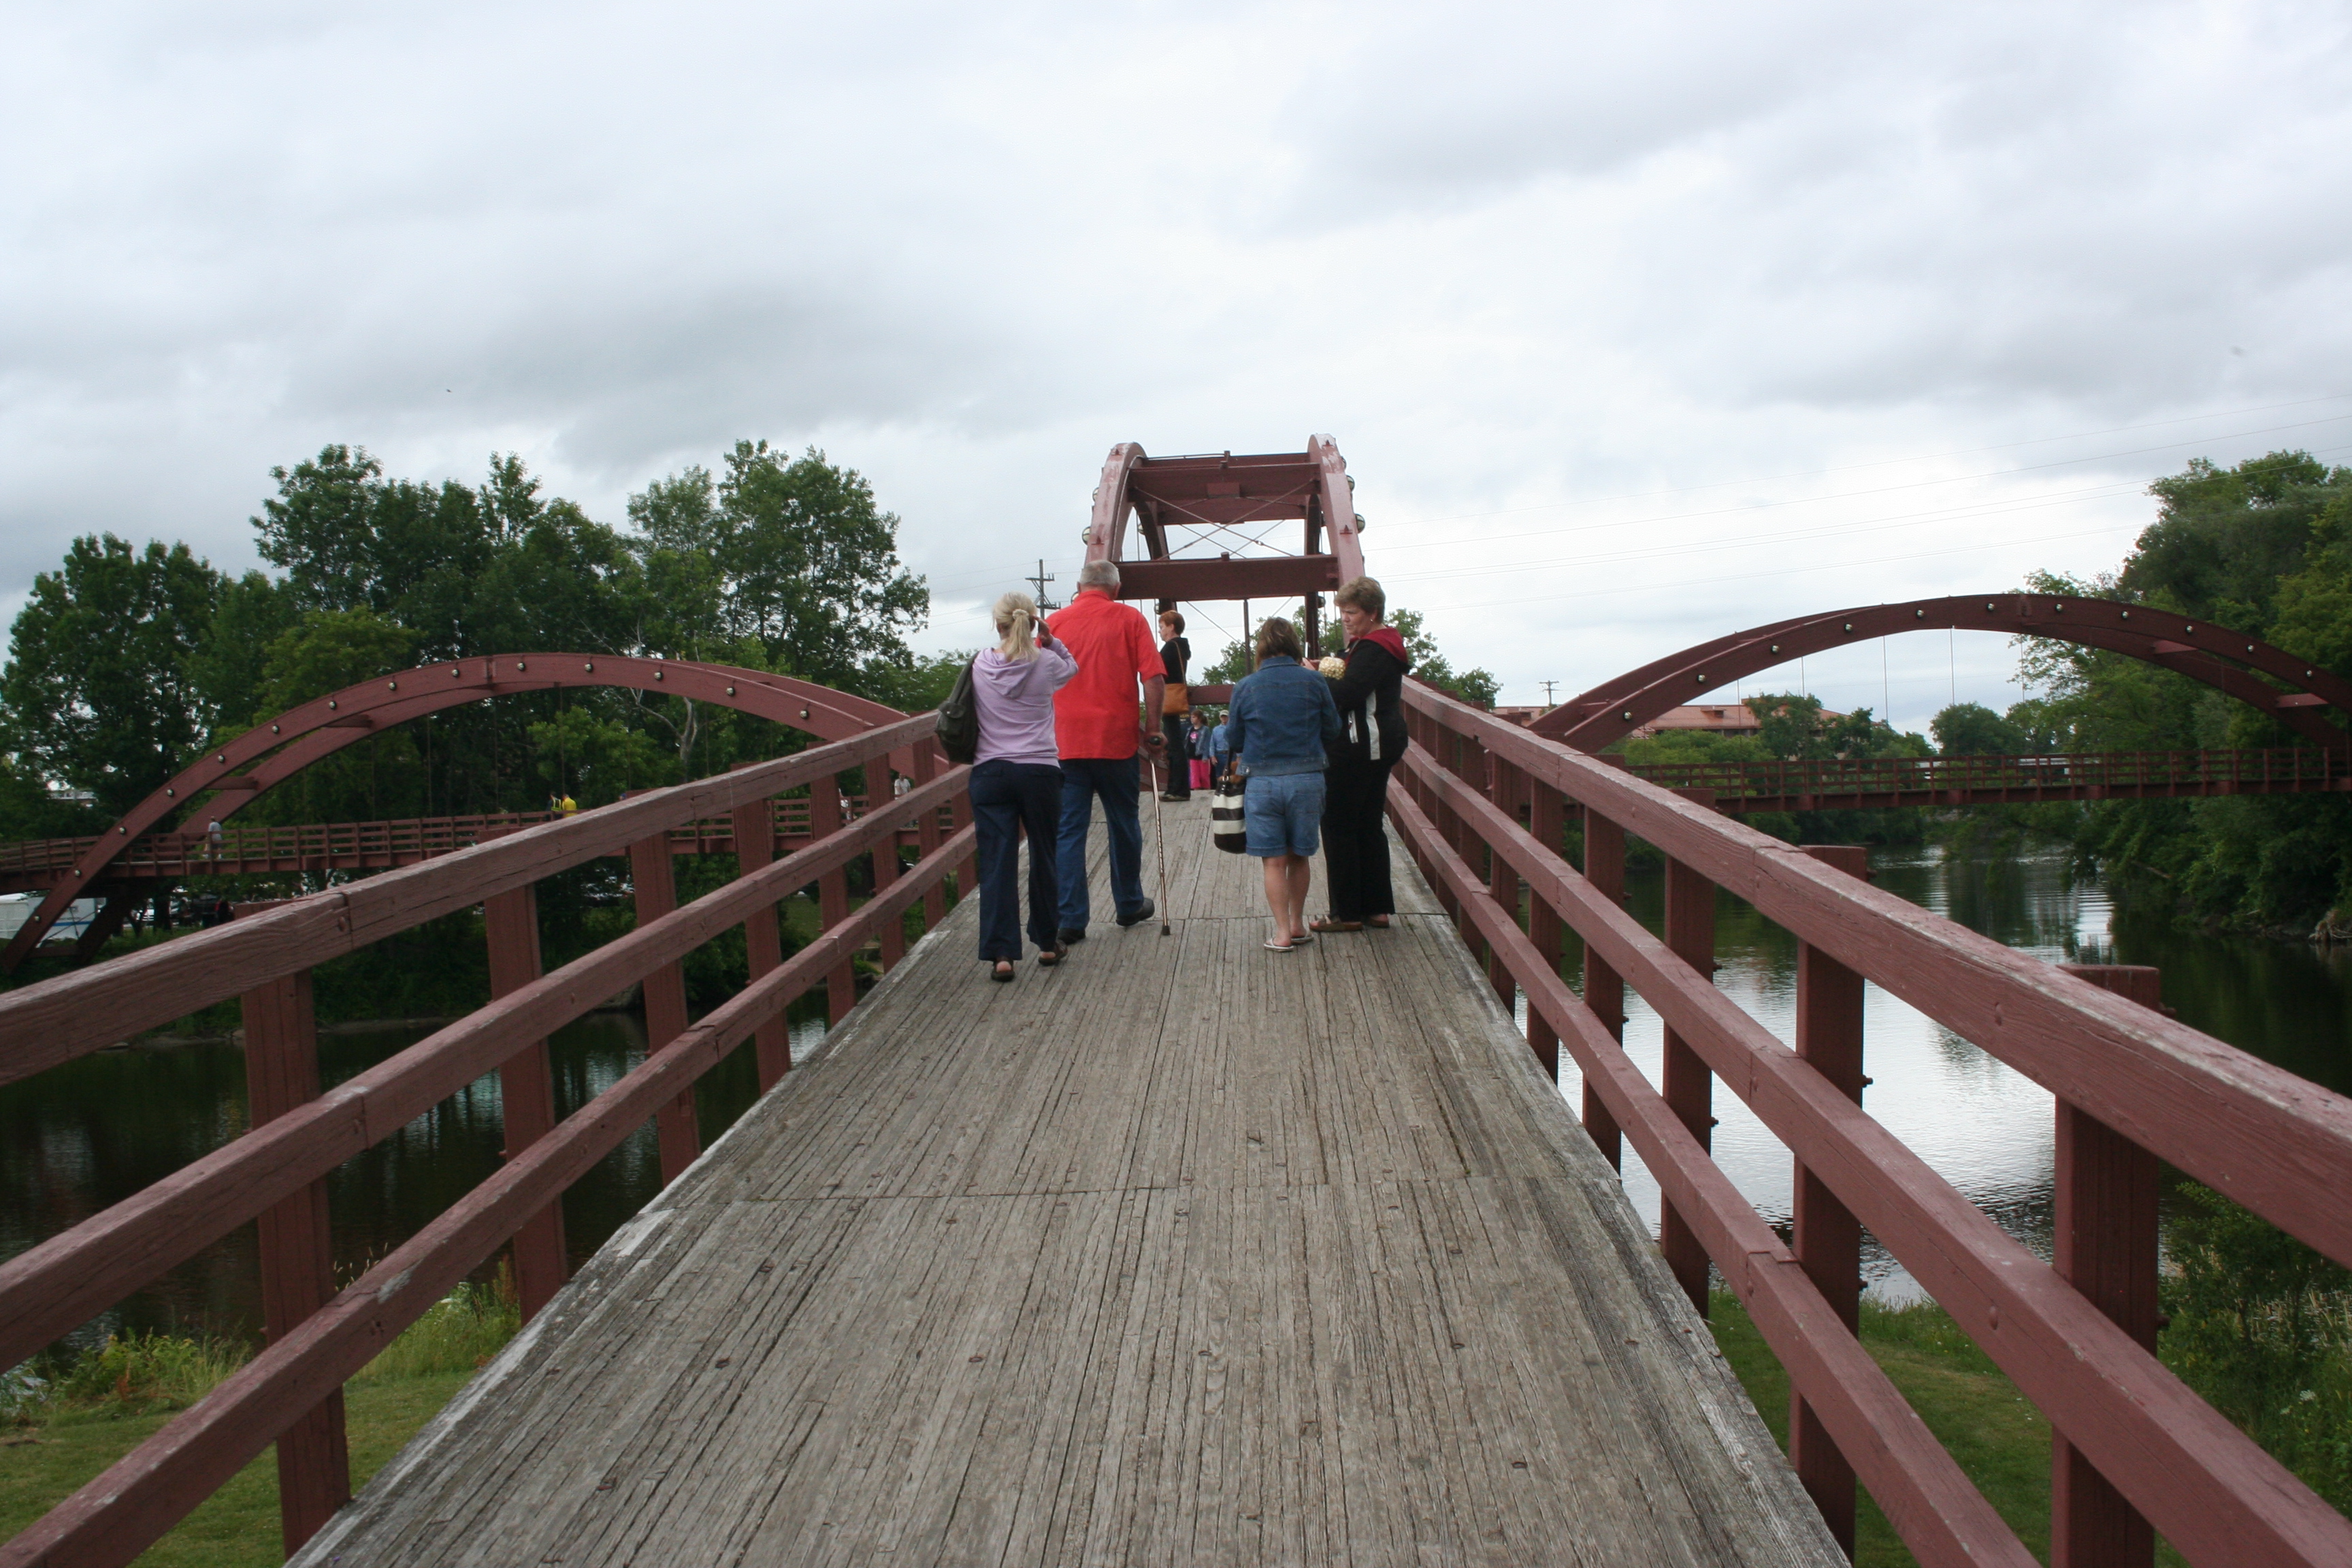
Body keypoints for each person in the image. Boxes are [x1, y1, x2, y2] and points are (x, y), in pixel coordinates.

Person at [1046, 559, 1166, 941]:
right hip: (1116, 742)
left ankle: (1070, 919)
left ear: (1080, 587)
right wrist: (1152, 728)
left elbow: (1030, 677)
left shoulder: (1054, 624)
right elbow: (1153, 677)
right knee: (1123, 823)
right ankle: (1129, 904)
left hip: (1065, 743)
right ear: (1115, 589)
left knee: (1068, 832)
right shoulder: (1129, 619)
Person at [969, 591, 1080, 980]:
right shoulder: (1047, 662)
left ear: (997, 624)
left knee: (997, 862)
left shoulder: (981, 663)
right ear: (1033, 623)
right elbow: (1073, 668)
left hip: (991, 773)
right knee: (1044, 856)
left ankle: (1002, 955)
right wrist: (1052, 640)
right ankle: (1048, 944)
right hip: (1038, 772)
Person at [1225, 617, 1339, 950]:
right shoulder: (1315, 681)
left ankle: (1281, 934)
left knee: (1273, 861)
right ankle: (1298, 924)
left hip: (1262, 783)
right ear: (1294, 646)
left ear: (1262, 647)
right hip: (1307, 780)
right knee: (1298, 857)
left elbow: (1234, 738)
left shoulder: (1246, 686)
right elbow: (1332, 730)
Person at [1312, 576, 1414, 932]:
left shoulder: (1373, 649)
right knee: (1367, 826)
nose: (1345, 618)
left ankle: (1347, 913)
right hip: (1377, 746)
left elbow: (1348, 695)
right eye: (1343, 612)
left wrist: (1317, 677)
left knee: (1339, 825)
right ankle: (1377, 908)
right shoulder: (1382, 645)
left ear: (1372, 613)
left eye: (1351, 612)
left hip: (1359, 747)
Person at [1157, 610, 1192, 801]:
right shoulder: (1182, 647)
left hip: (1168, 695)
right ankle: (1178, 788)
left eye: (1162, 627)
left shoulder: (1171, 647)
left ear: (1171, 627)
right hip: (1176, 694)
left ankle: (1178, 789)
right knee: (1175, 742)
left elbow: (1158, 669)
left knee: (1174, 744)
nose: (1160, 631)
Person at [1188, 711, 1213, 792]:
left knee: (1204, 776)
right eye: (1191, 717)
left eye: (1194, 717)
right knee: (1195, 776)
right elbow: (1187, 742)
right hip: (1192, 756)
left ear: (1199, 719)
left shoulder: (1205, 729)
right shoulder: (1190, 729)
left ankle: (1206, 792)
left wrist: (1206, 755)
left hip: (1202, 756)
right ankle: (1196, 792)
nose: (1192, 719)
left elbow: (1207, 743)